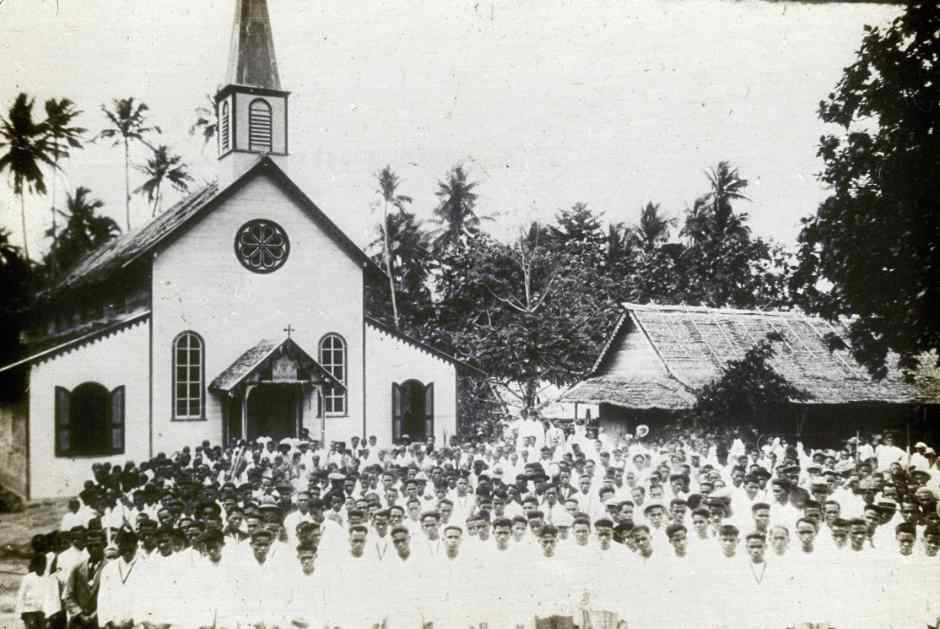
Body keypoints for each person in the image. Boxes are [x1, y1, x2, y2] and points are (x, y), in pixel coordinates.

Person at [15, 554, 58, 629]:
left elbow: (53, 595)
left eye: (44, 564)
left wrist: (53, 612)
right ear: (36, 565)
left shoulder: (49, 578)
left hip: (44, 611)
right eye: (40, 564)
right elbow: (21, 596)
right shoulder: (28, 578)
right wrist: (20, 612)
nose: (42, 566)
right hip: (30, 610)